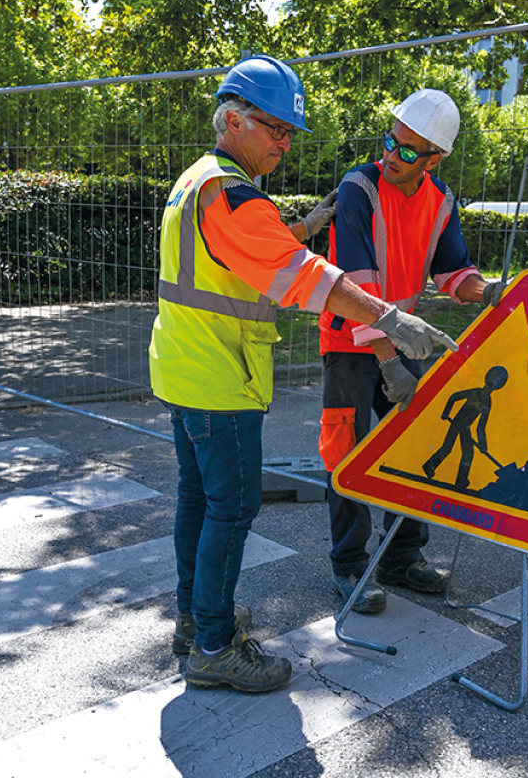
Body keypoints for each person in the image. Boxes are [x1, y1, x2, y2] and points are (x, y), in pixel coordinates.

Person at [149, 57, 456, 694]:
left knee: (197, 503)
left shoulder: (198, 180)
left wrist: (301, 229)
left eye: (292, 133)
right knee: (230, 512)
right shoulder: (232, 195)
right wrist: (393, 322)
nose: (285, 143)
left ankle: (193, 619)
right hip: (220, 378)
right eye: (275, 129)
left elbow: (242, 257)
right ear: (233, 120)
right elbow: (310, 280)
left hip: (183, 368)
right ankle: (211, 644)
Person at [318, 88, 505, 615]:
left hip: (402, 343)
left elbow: (453, 272)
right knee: (347, 451)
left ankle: (402, 555)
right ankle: (349, 564)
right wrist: (388, 362)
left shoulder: (441, 201)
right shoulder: (359, 187)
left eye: (406, 151)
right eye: (390, 142)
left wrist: (487, 291)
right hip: (350, 342)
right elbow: (357, 284)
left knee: (417, 445)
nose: (390, 156)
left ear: (435, 159)